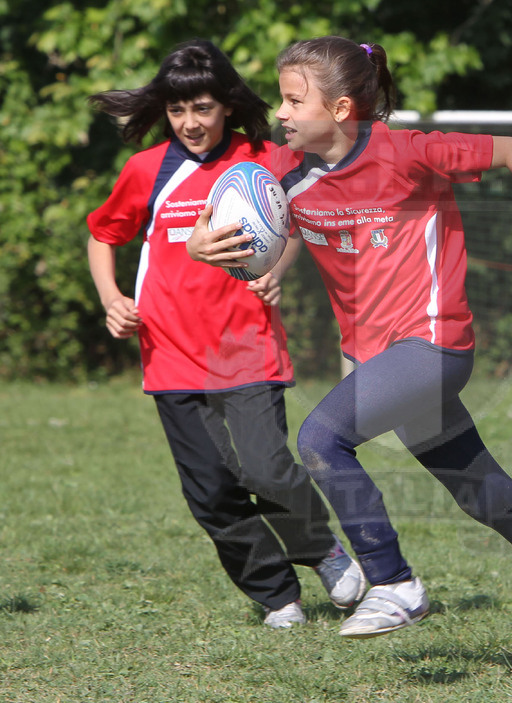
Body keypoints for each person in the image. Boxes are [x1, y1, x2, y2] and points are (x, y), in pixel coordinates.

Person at [187, 35, 512, 667]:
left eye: (292, 99)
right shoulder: (284, 174)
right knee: (479, 488)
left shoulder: (407, 152)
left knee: (320, 439)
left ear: (340, 109)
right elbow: (268, 228)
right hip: (380, 359)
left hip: (434, 341)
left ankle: (393, 582)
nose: (279, 113)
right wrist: (218, 252)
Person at [86, 38, 366, 629]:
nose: (190, 123)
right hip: (169, 355)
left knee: (266, 469)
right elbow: (103, 234)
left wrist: (278, 272)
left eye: (204, 108)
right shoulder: (147, 171)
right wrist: (113, 298)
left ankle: (322, 550)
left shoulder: (266, 157)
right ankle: (275, 593)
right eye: (178, 110)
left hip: (247, 349)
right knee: (211, 492)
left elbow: (302, 219)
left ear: (229, 106)